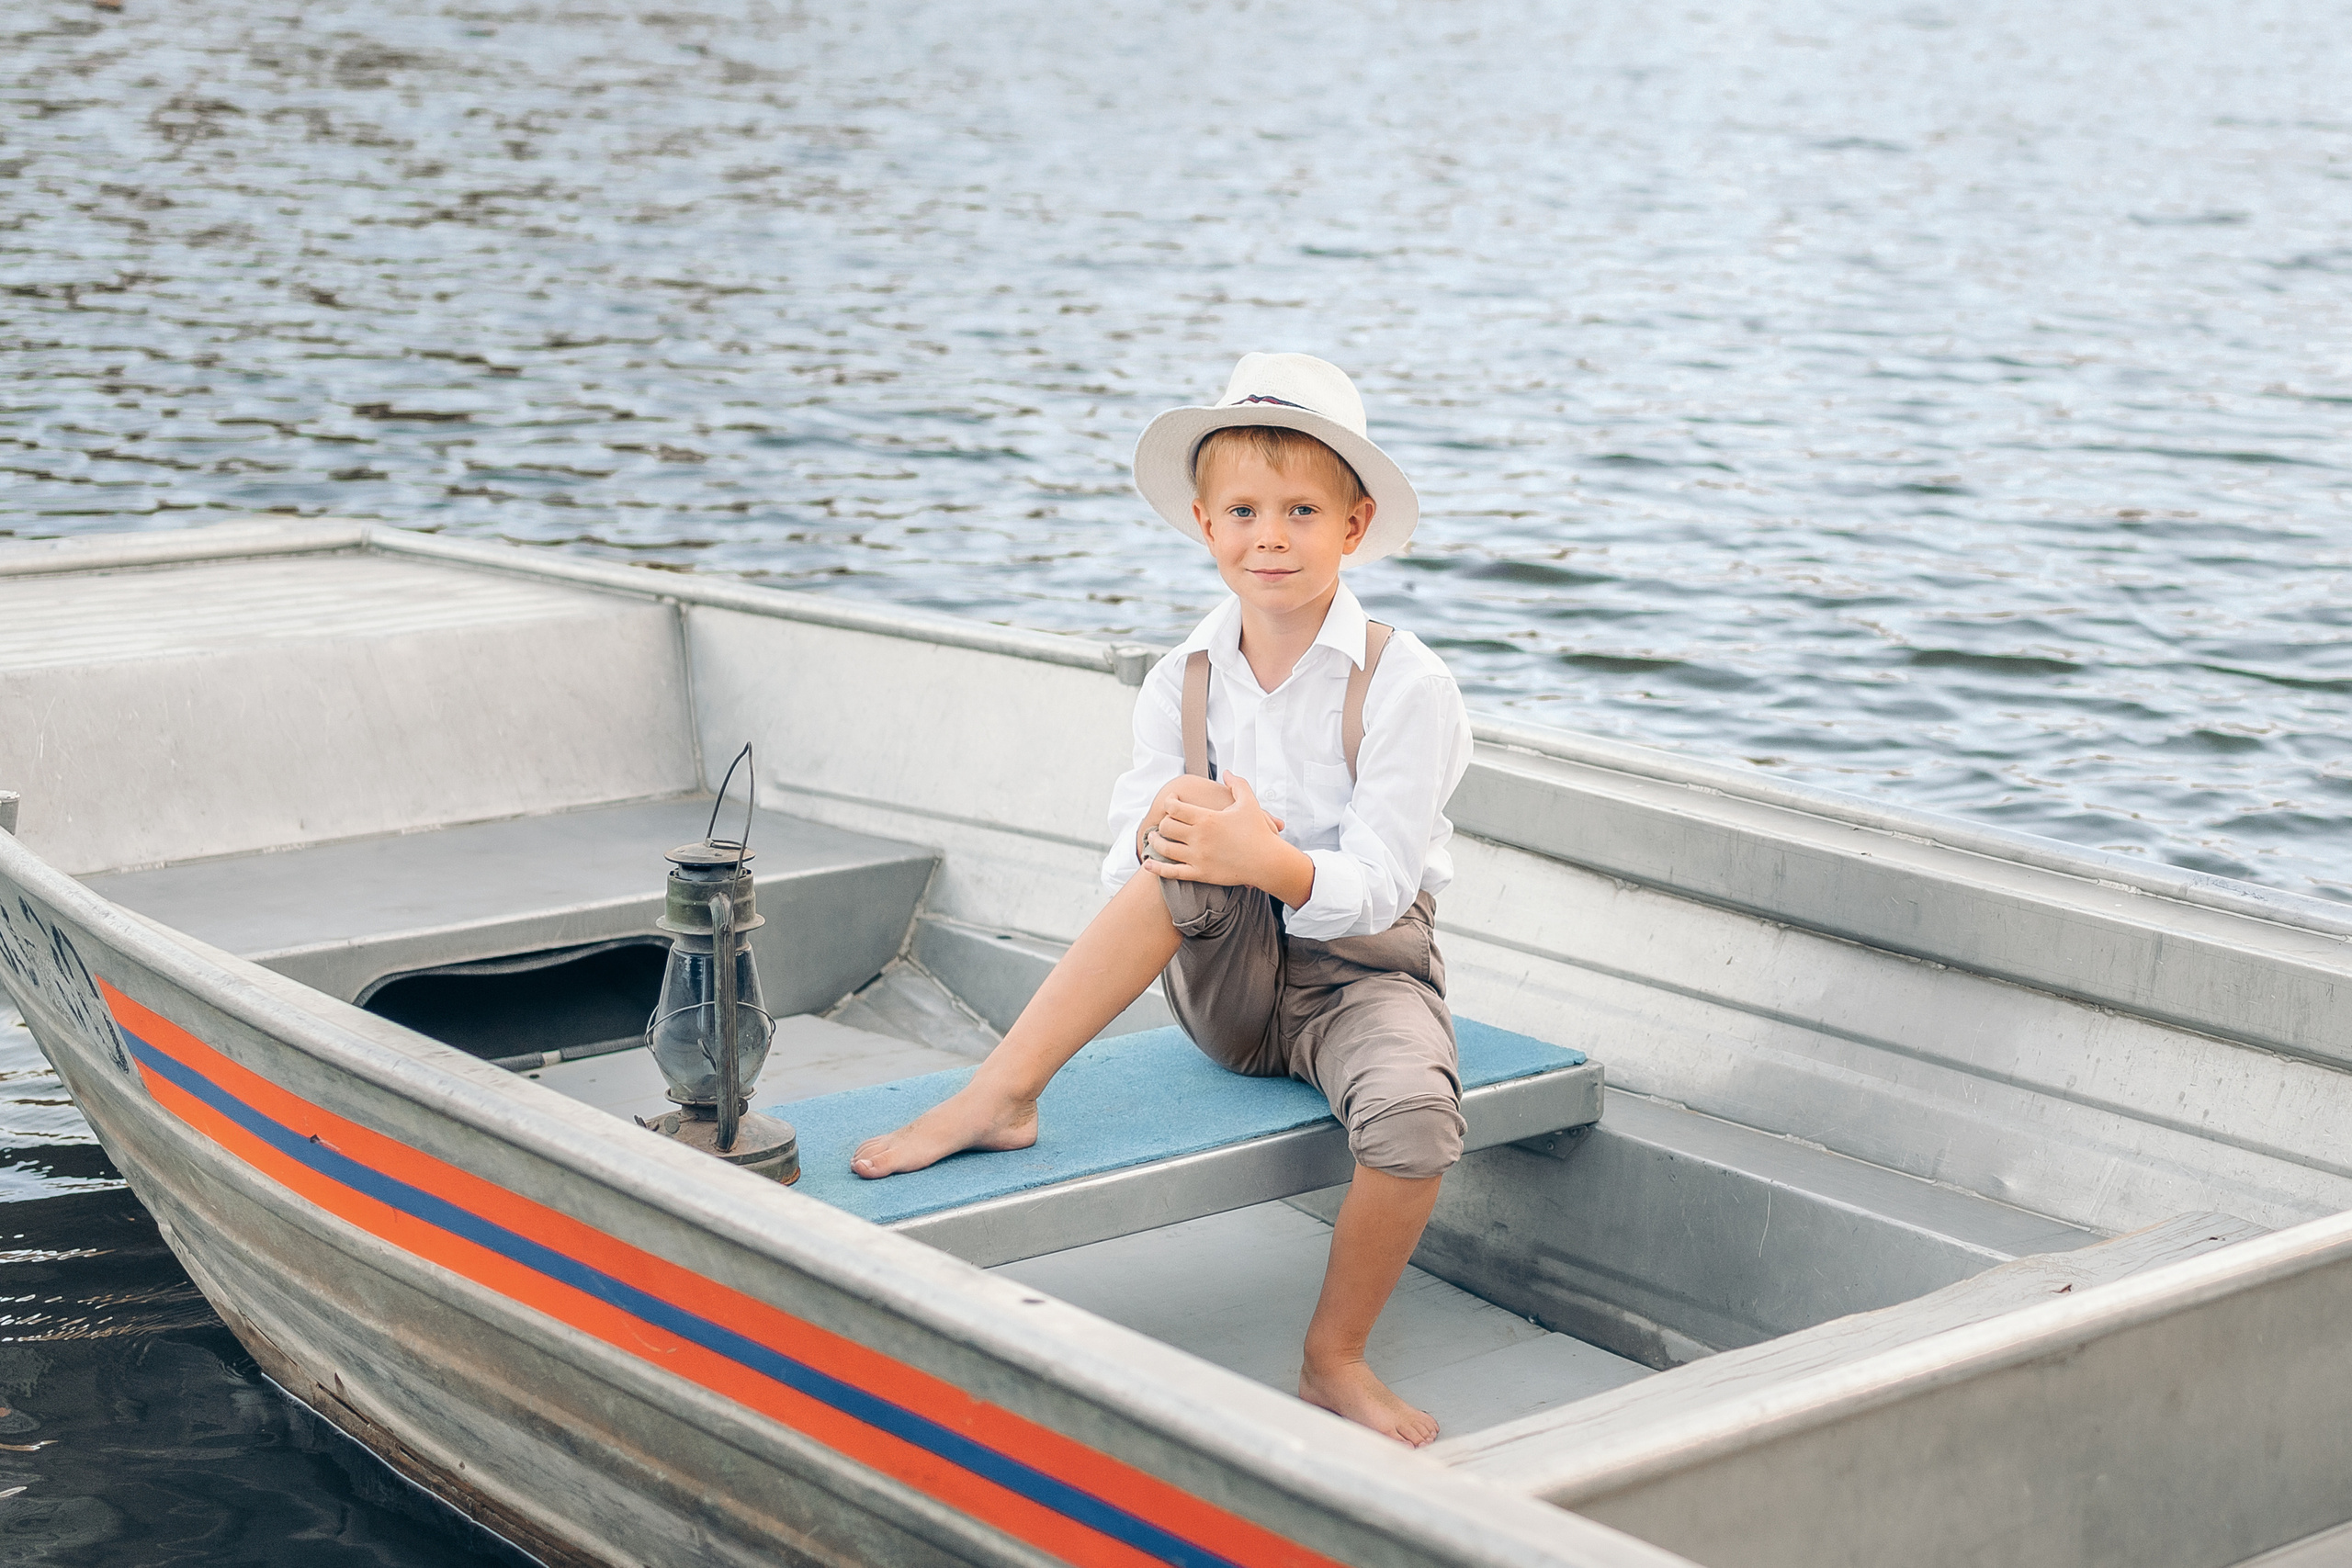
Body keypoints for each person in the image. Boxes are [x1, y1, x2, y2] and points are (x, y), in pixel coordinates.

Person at [851, 352, 1474, 1447]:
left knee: (1418, 1122)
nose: (1268, 536)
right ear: (1202, 522)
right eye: (1242, 510)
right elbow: (1122, 873)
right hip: (1227, 988)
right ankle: (998, 1095)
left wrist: (1267, 857)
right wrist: (1182, 831)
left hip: (1362, 976)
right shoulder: (1180, 676)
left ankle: (1332, 1359)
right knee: (1177, 851)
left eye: (1300, 511)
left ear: (1354, 524)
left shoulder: (1406, 683)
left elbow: (1379, 885)